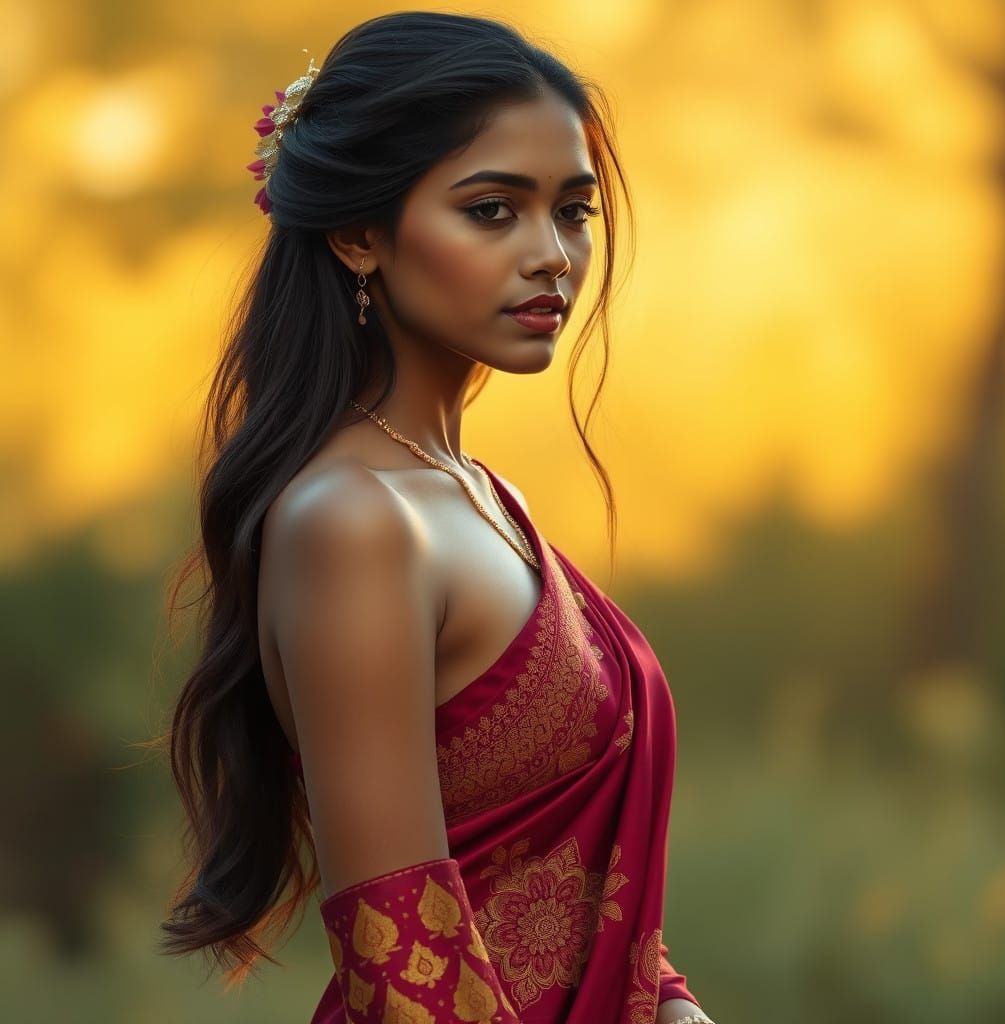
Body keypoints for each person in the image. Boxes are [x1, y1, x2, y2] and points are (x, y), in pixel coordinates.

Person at [158, 11, 714, 1024]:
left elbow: (598, 910)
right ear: (359, 234)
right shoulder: (353, 522)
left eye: (572, 213)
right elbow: (401, 957)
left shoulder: (478, 493)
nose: (551, 256)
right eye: (493, 211)